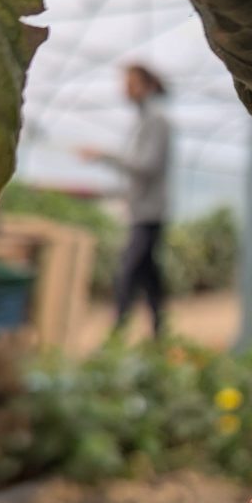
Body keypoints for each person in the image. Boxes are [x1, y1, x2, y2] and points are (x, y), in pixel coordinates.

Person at [80, 65, 171, 338]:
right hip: (140, 210)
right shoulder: (142, 121)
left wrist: (104, 156)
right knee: (147, 274)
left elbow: (147, 165)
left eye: (131, 83)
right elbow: (136, 174)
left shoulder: (157, 121)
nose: (126, 89)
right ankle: (160, 332)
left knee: (128, 271)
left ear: (148, 86)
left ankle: (117, 333)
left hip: (149, 213)